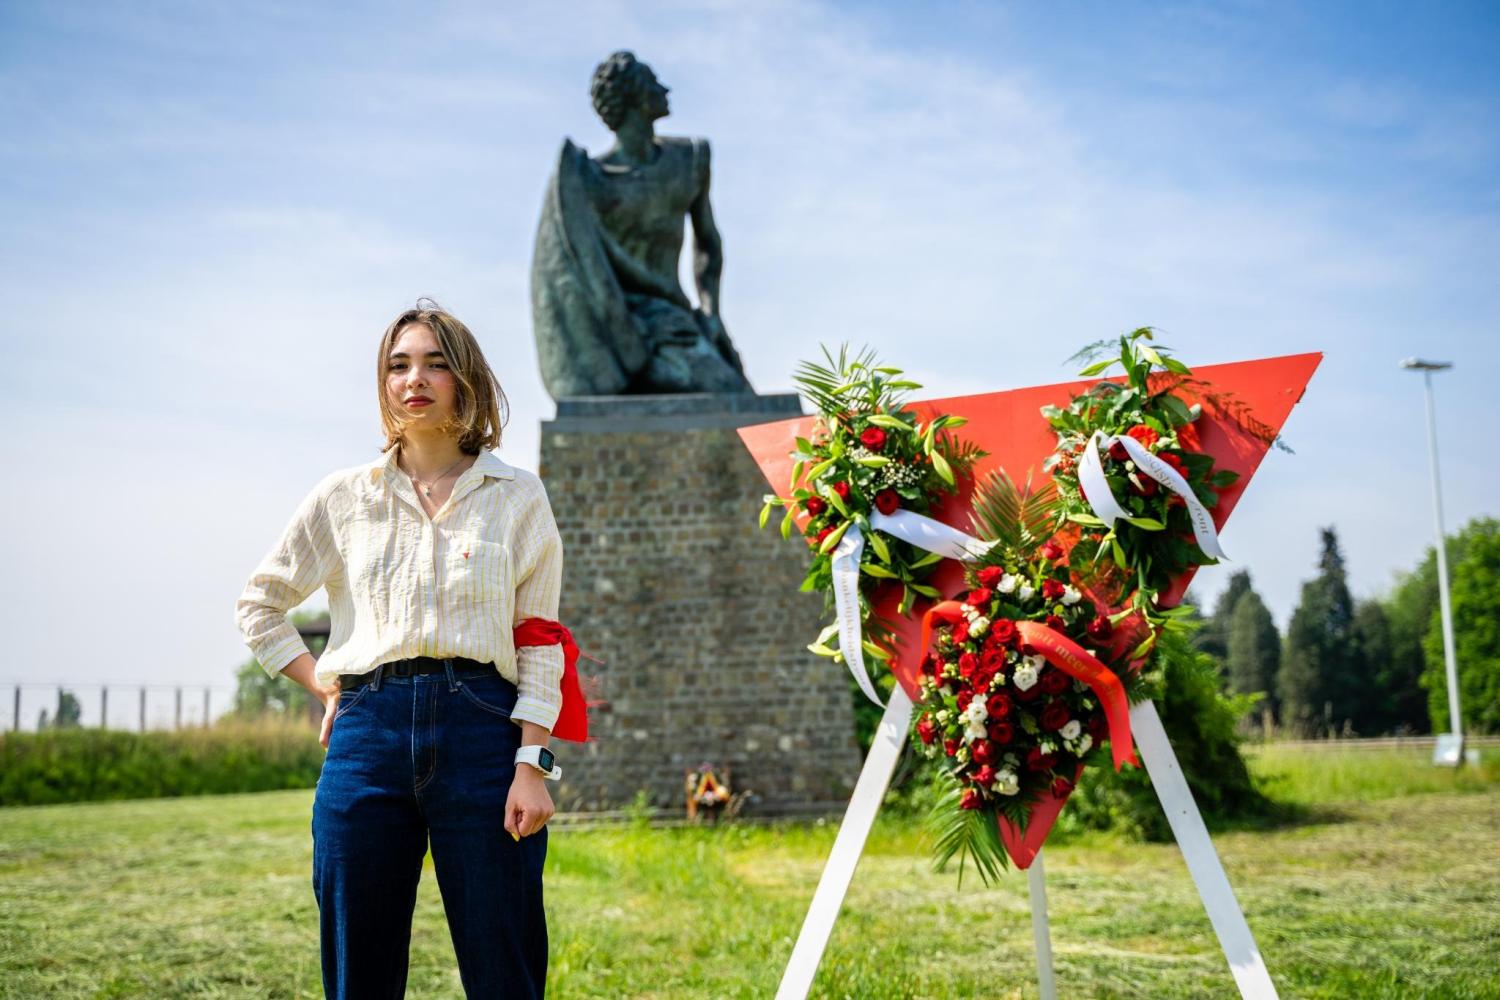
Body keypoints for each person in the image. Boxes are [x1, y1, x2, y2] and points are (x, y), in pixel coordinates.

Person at [235, 301, 568, 999]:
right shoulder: (343, 498)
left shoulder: (517, 496)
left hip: (484, 732)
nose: (414, 378)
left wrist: (531, 763)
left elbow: (539, 641)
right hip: (367, 734)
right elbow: (260, 605)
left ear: (465, 379)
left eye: (435, 363)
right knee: (359, 970)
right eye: (398, 364)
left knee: (504, 965)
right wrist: (325, 686)